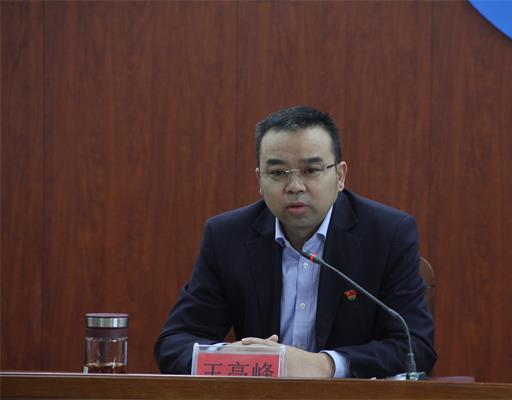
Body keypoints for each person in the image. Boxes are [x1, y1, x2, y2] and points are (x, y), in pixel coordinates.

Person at [154, 105, 437, 378]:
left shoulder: (387, 235)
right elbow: (174, 343)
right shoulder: (227, 237)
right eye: (278, 173)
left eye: (311, 170)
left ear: (340, 176)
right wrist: (231, 356)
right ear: (259, 179)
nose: (295, 186)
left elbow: (415, 347)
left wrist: (325, 365)